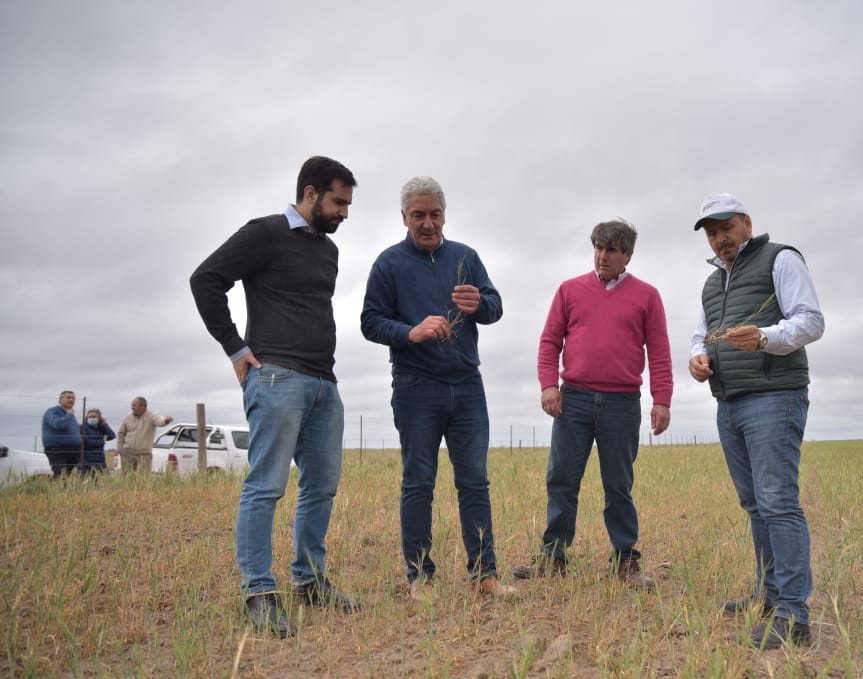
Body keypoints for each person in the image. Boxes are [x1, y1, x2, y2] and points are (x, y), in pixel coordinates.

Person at [189, 155, 360, 637]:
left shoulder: (328, 251)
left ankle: (309, 582)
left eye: (348, 204)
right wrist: (235, 347)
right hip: (277, 377)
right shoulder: (263, 233)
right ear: (310, 194)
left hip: (325, 382)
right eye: (338, 202)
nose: (345, 213)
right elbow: (206, 279)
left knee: (322, 485)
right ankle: (259, 592)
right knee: (266, 485)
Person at [361, 176, 516, 601]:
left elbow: (496, 306)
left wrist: (479, 305)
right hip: (416, 387)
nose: (427, 223)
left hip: (467, 386)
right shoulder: (388, 264)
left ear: (444, 215)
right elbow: (370, 322)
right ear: (404, 217)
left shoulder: (466, 257)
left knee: (475, 482)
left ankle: (485, 576)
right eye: (418, 215)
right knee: (418, 483)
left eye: (434, 214)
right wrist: (411, 331)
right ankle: (420, 578)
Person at [688, 193, 825, 649]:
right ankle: (768, 596)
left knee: (778, 502)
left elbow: (810, 321)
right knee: (755, 505)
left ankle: (793, 615)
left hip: (774, 396)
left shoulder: (780, 259)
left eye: (726, 227)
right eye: (711, 231)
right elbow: (699, 333)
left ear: (747, 222)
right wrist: (698, 357)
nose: (720, 238)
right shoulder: (712, 283)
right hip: (729, 401)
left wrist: (765, 337)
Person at [512, 219, 673, 591]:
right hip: (575, 399)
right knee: (562, 479)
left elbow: (660, 352)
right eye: (598, 247)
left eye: (612, 250)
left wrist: (661, 399)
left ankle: (625, 561)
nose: (602, 256)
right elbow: (550, 341)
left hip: (622, 402)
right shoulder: (569, 290)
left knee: (618, 484)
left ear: (628, 255)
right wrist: (549, 386)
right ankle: (553, 557)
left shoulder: (647, 296)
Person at [116, 397, 174, 472]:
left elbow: (160, 421)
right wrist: (120, 449)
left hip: (144, 455)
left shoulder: (152, 415)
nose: (132, 408)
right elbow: (121, 433)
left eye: (134, 405)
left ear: (143, 407)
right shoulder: (128, 418)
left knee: (144, 479)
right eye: (132, 405)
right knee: (127, 479)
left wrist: (166, 421)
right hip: (128, 454)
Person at [41, 390, 81, 477]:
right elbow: (57, 424)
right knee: (59, 474)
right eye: (68, 397)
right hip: (58, 450)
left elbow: (77, 429)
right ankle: (57, 489)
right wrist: (69, 415)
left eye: (73, 398)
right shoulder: (52, 411)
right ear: (60, 400)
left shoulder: (70, 414)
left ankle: (64, 490)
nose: (71, 400)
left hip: (74, 450)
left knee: (67, 475)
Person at [79, 408, 116, 474]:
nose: (92, 418)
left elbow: (112, 435)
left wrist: (105, 424)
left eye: (94, 417)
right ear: (86, 418)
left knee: (96, 482)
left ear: (99, 418)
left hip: (99, 461)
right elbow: (87, 443)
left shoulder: (101, 428)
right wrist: (102, 441)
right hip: (86, 461)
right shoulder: (83, 428)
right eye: (89, 417)